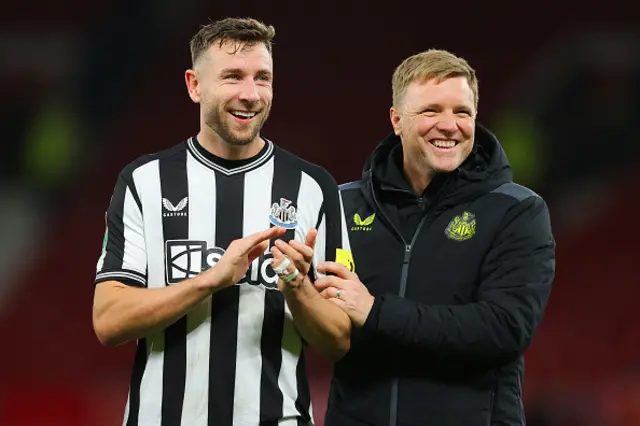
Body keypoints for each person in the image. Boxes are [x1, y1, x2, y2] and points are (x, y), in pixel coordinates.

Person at [92, 17, 353, 426]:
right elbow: (108, 321)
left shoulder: (314, 186)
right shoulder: (144, 181)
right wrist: (212, 279)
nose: (250, 94)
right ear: (195, 85)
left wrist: (298, 288)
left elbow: (340, 340)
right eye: (233, 76)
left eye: (262, 78)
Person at [312, 49, 556, 425]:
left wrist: (377, 313)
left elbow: (504, 329)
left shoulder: (517, 211)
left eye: (462, 112)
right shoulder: (341, 205)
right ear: (396, 120)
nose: (449, 125)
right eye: (431, 111)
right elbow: (325, 328)